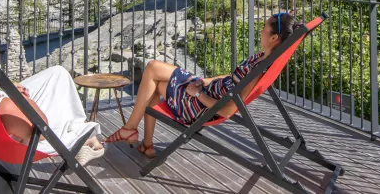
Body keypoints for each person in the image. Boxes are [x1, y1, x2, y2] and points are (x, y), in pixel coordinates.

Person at [103, 13, 302, 158]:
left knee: (153, 70)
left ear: (275, 38)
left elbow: (227, 110)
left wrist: (197, 93)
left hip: (200, 106)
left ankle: (132, 130)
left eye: (265, 28)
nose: (261, 30)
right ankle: (145, 144)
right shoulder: (263, 59)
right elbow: (233, 77)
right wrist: (205, 81)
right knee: (153, 74)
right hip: (205, 91)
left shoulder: (259, 71)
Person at [0, 32, 104, 165]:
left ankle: (79, 126)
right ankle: (83, 137)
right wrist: (19, 98)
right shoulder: (5, 109)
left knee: (58, 73)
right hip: (30, 135)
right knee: (63, 103)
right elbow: (41, 131)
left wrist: (5, 88)